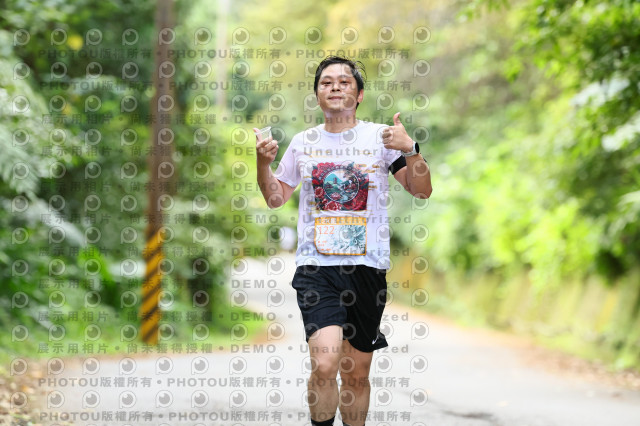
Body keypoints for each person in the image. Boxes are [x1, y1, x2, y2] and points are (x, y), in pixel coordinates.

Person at [254, 55, 432, 426]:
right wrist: (262, 164)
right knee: (324, 363)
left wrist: (410, 148)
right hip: (316, 268)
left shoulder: (382, 138)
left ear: (359, 94)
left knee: (356, 373)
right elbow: (275, 198)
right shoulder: (303, 143)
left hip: (367, 267)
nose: (335, 87)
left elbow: (421, 189)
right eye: (326, 82)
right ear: (317, 94)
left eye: (344, 82)